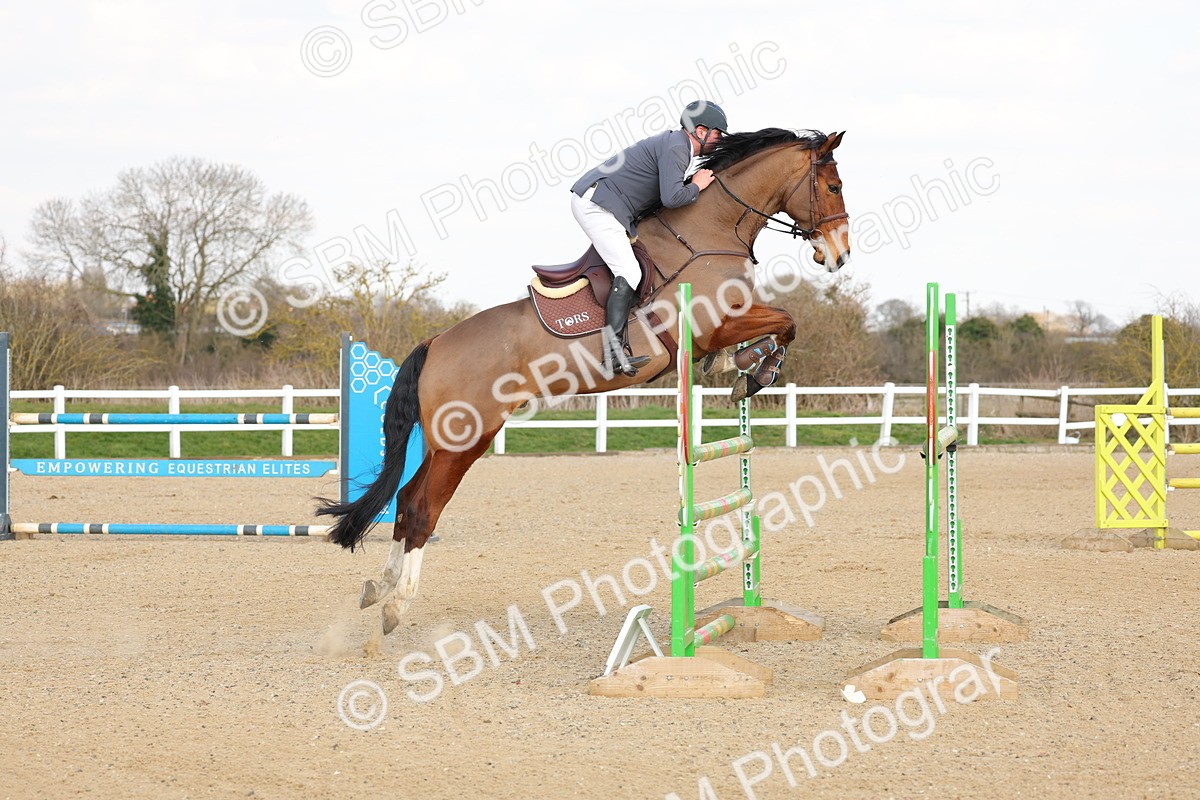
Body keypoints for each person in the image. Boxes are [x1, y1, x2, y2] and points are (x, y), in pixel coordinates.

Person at [570, 100, 728, 376]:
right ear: (701, 131)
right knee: (629, 272)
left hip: (606, 203)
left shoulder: (677, 146)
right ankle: (612, 355)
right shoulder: (678, 147)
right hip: (597, 205)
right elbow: (672, 198)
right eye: (718, 133)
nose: (720, 139)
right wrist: (697, 186)